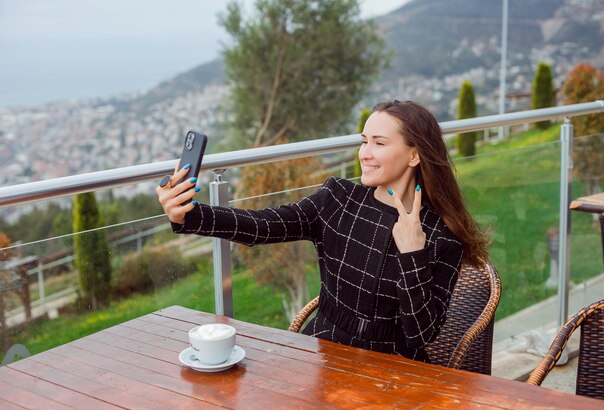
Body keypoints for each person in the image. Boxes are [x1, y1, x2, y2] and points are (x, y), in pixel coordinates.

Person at [157, 100, 488, 363]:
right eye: (364, 141)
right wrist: (188, 214)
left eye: (379, 143)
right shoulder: (339, 200)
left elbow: (420, 336)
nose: (365, 153)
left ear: (414, 154)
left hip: (394, 370)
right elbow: (262, 225)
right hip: (323, 353)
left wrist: (413, 254)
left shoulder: (442, 234)